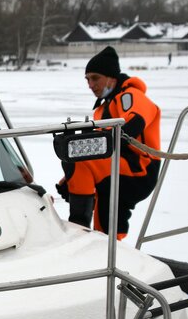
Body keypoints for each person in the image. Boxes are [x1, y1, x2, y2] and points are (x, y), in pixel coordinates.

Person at [56, 46, 161, 239]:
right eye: (87, 79)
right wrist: (71, 178)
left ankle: (83, 235)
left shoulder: (131, 96)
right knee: (75, 162)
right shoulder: (103, 108)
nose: (90, 84)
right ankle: (95, 239)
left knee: (81, 161)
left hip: (141, 168)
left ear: (111, 77)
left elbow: (136, 121)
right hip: (120, 165)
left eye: (95, 78)